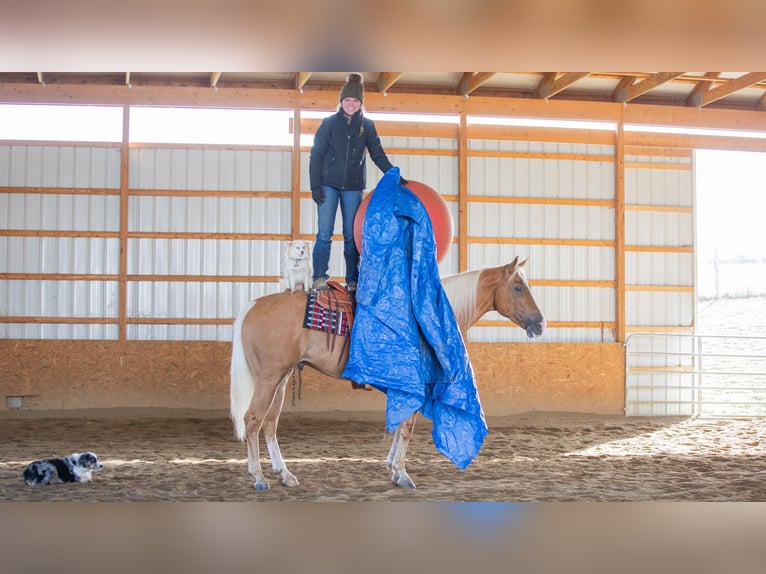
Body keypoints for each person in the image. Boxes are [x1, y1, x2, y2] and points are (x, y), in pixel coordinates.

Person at [309, 72, 406, 292]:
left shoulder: (367, 126)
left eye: (354, 101)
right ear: (341, 102)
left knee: (351, 234)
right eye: (347, 100)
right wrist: (315, 185)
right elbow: (316, 155)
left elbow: (377, 154)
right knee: (324, 232)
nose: (350, 104)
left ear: (360, 103)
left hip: (353, 187)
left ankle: (353, 280)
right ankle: (319, 277)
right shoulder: (329, 124)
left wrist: (393, 174)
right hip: (328, 184)